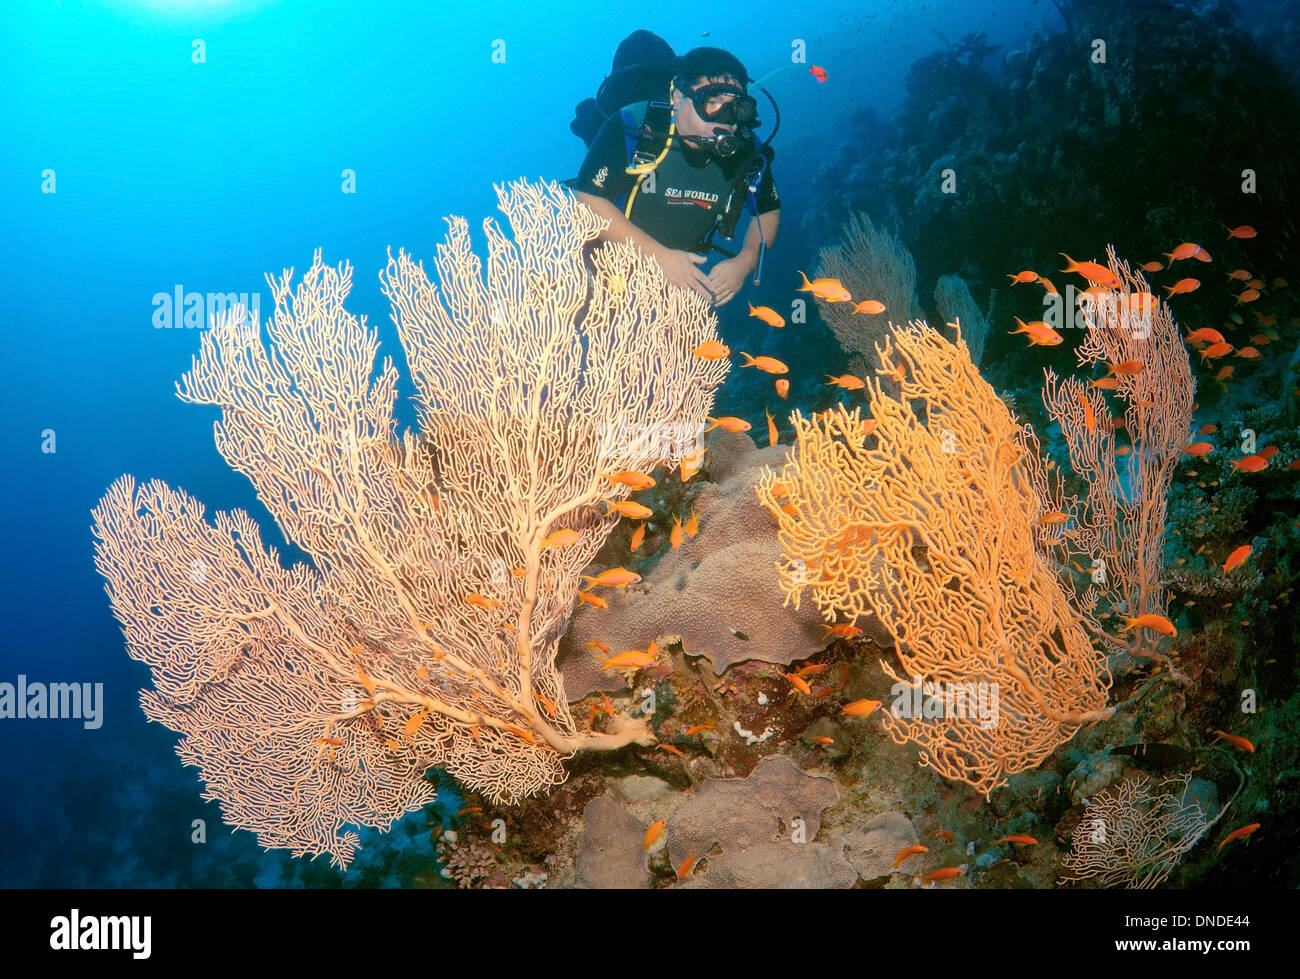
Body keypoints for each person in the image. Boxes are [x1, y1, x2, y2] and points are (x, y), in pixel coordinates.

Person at [572, 44, 781, 307]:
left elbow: (768, 210)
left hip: (679, 270)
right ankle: (589, 126)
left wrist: (745, 261)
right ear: (680, 99)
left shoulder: (745, 148)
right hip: (613, 256)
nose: (726, 120)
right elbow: (587, 198)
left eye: (737, 108)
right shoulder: (635, 124)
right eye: (712, 102)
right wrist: (659, 257)